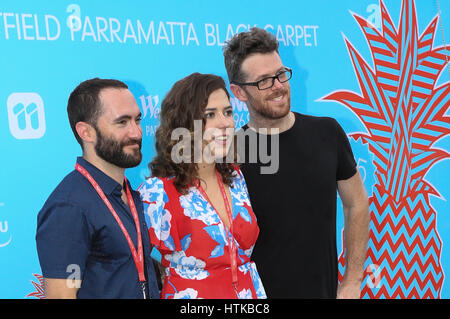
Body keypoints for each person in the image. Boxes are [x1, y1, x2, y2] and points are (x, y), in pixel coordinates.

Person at [223, 27, 370, 299]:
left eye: (280, 74)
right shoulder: (230, 153)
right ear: (239, 92)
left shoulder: (328, 133)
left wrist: (352, 280)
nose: (278, 85)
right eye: (264, 81)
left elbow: (356, 203)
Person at [138, 73, 266, 299]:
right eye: (210, 115)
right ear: (185, 123)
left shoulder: (235, 177)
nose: (225, 122)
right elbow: (133, 264)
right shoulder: (158, 191)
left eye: (228, 112)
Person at [36, 78, 159, 299]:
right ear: (86, 132)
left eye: (137, 120)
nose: (137, 132)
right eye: (122, 122)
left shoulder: (129, 193)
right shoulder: (69, 206)